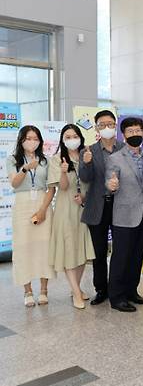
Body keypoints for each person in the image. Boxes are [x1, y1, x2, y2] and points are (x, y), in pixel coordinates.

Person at [79, 109, 125, 305]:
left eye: (110, 124)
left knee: (121, 250)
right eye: (102, 124)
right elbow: (85, 178)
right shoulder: (88, 150)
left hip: (121, 206)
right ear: (97, 128)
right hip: (97, 206)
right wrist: (87, 164)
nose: (107, 127)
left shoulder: (124, 148)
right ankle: (101, 289)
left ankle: (119, 288)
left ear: (115, 126)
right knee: (98, 252)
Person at [6, 126, 55, 307]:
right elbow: (14, 183)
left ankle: (44, 290)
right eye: (28, 138)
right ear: (21, 140)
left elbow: (52, 188)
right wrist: (25, 168)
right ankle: (27, 291)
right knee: (22, 247)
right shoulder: (12, 160)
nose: (32, 141)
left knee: (44, 247)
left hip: (42, 202)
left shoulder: (46, 161)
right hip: (23, 203)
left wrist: (43, 210)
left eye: (35, 138)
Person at [105, 117, 143, 312]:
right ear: (123, 135)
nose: (135, 134)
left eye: (138, 131)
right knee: (121, 257)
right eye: (130, 131)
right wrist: (111, 185)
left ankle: (132, 291)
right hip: (124, 215)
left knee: (137, 256)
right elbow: (110, 181)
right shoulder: (115, 158)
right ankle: (116, 297)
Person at [47, 124, 95, 309]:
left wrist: (84, 196)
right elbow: (64, 187)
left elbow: (91, 182)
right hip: (65, 209)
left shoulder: (86, 156)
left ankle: (76, 287)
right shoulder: (57, 159)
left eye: (74, 135)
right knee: (69, 249)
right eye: (67, 136)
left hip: (83, 207)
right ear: (62, 139)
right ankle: (76, 292)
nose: (71, 139)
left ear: (80, 137)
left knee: (81, 250)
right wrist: (63, 171)